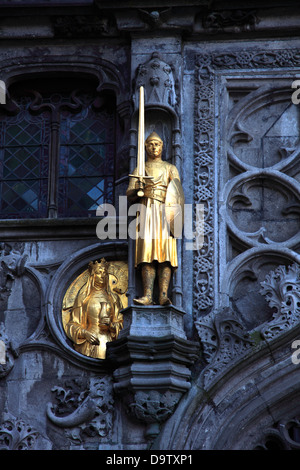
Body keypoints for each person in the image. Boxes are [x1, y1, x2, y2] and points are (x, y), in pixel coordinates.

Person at [126, 132, 181, 306]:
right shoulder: (140, 169)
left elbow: (177, 192)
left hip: (165, 212)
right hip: (146, 211)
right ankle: (148, 295)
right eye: (150, 144)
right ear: (145, 147)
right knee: (146, 254)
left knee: (164, 254)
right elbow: (129, 193)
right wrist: (138, 189)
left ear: (162, 146)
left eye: (157, 144)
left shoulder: (170, 168)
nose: (154, 147)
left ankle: (163, 294)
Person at [65, 258, 123, 359]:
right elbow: (71, 325)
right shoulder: (83, 298)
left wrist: (112, 325)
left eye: (104, 273)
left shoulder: (114, 298)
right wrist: (84, 333)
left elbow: (123, 323)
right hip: (89, 343)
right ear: (93, 276)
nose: (102, 275)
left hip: (109, 343)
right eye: (99, 273)